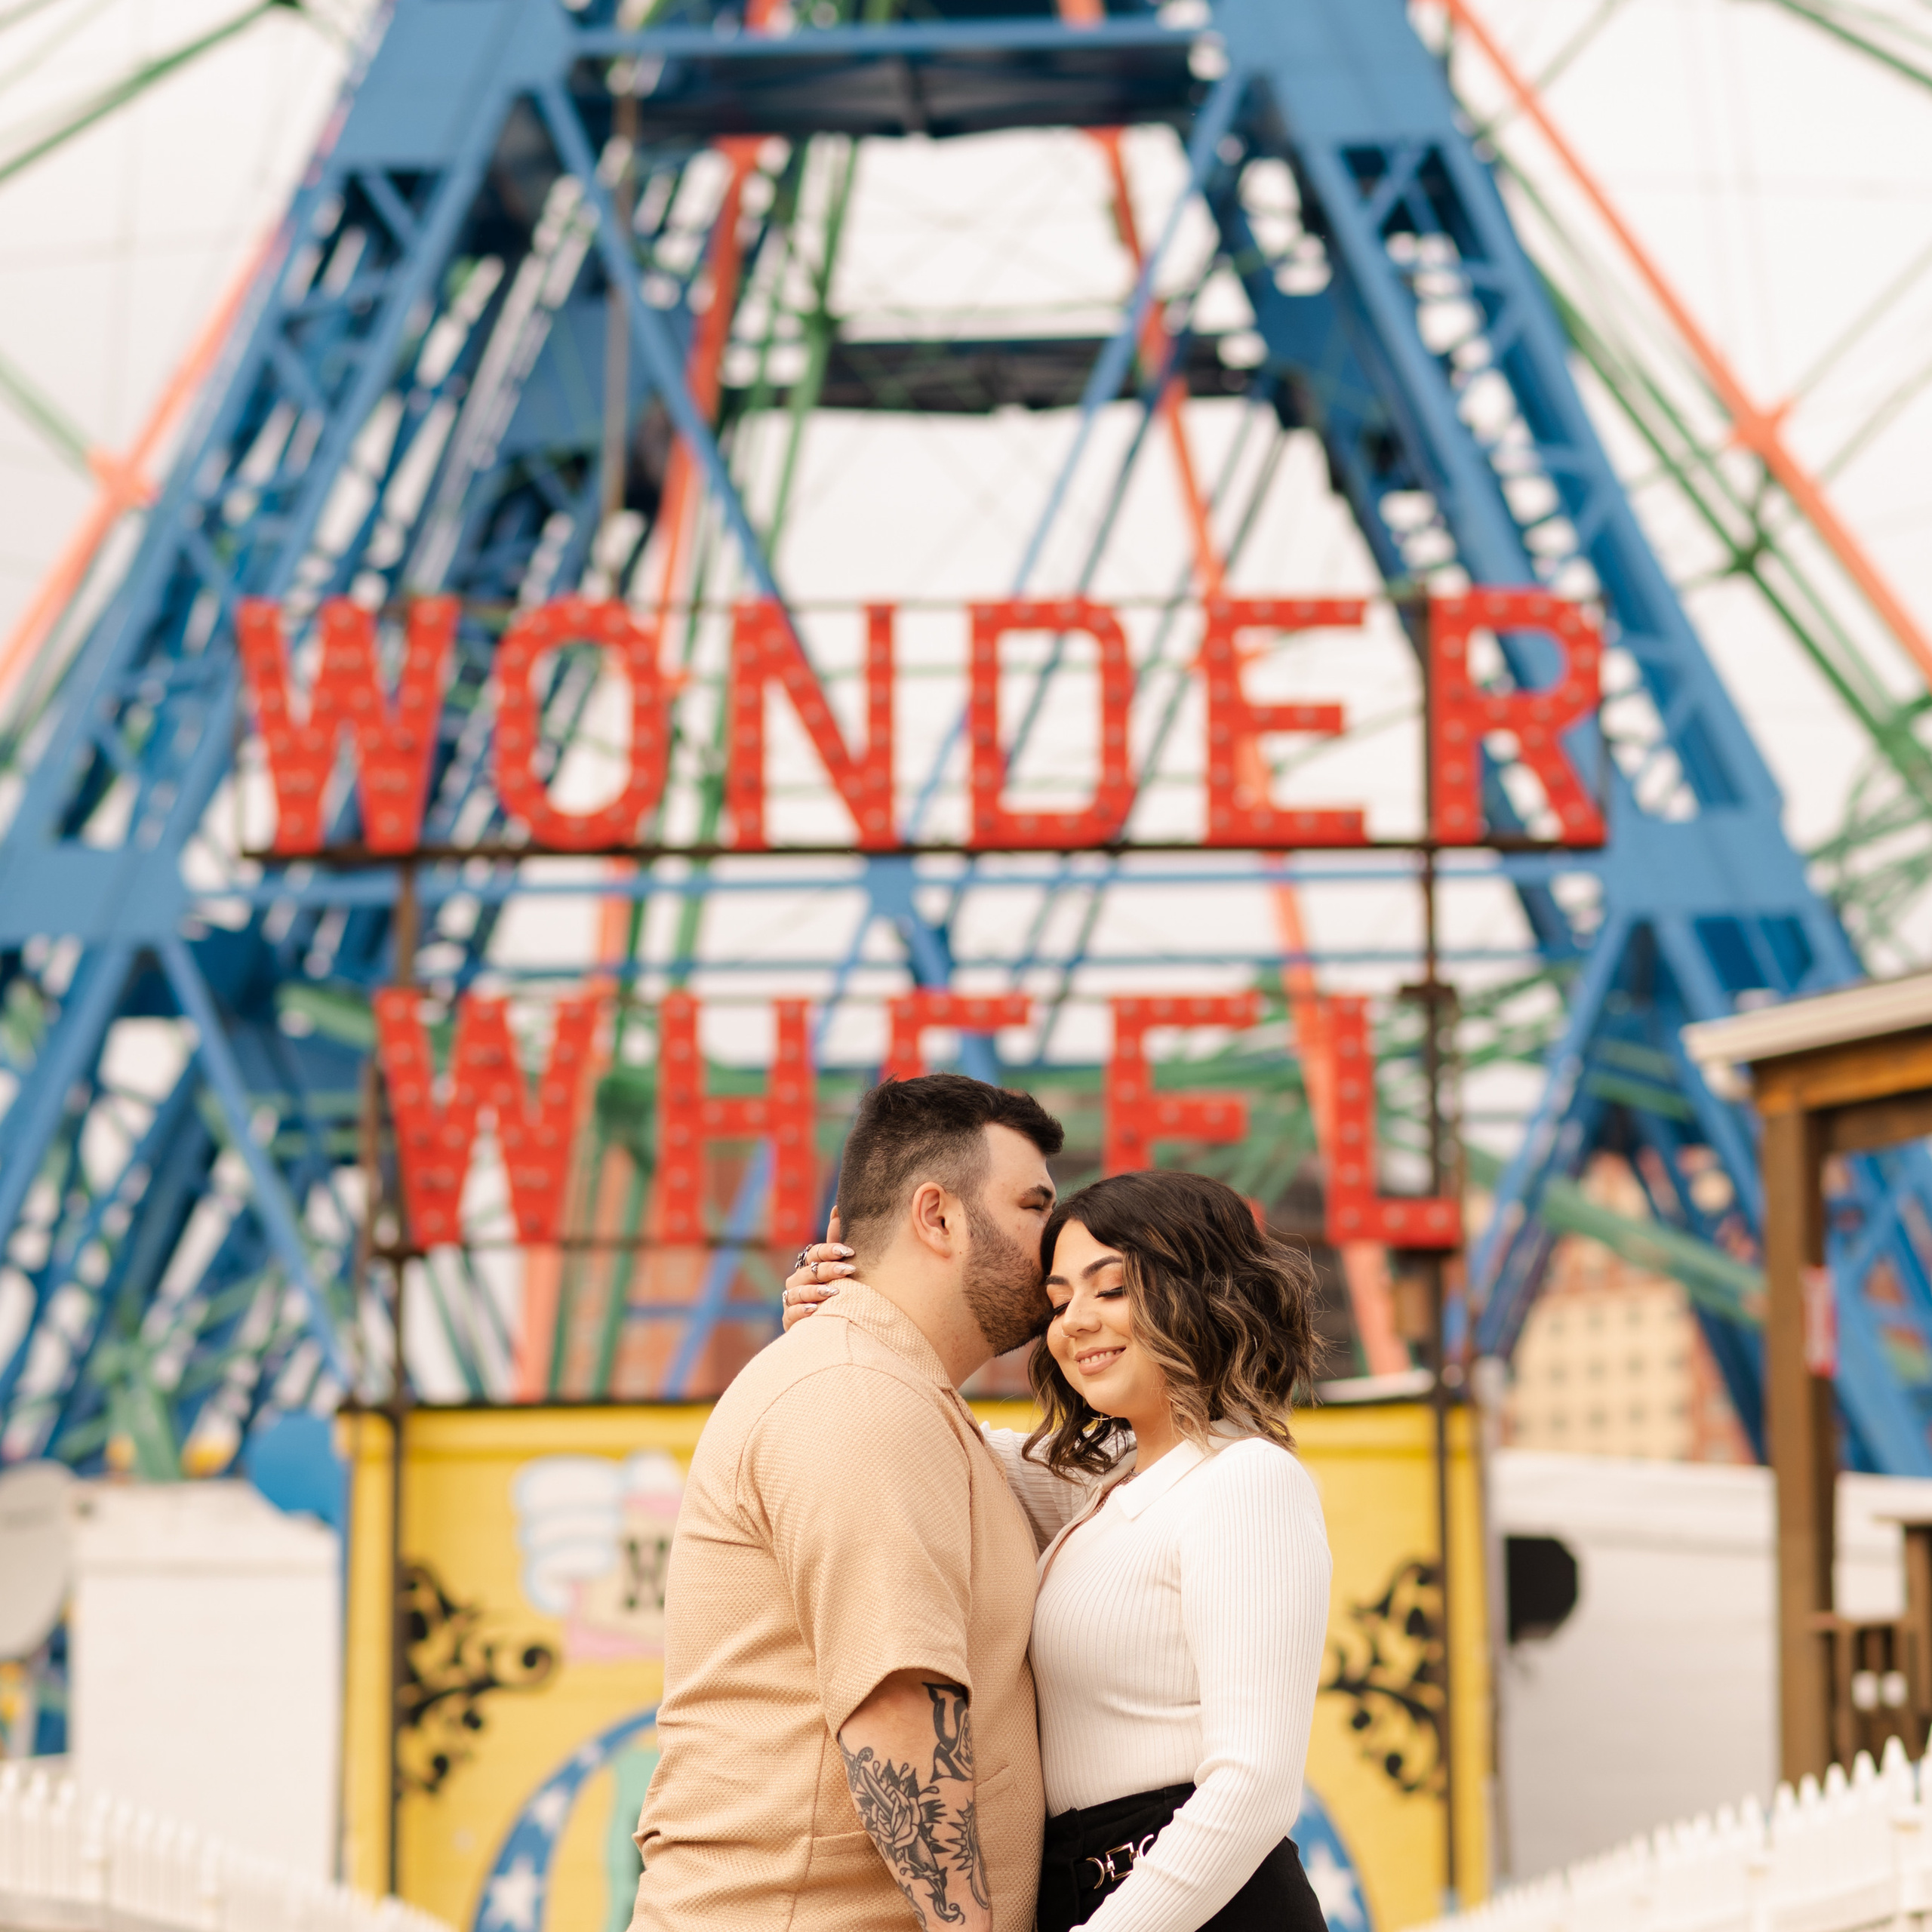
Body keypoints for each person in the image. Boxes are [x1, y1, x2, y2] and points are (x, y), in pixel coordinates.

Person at [784, 1166, 1332, 1932]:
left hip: (1204, 1902)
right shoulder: (1102, 1489)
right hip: (1089, 1889)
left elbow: (1254, 1786)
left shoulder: (1245, 1481)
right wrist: (842, 1324)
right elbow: (924, 1435)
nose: (1074, 1322)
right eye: (1060, 1300)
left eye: (1111, 1289)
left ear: (1201, 1289)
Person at [631, 1072, 1066, 1932]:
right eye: (1034, 1207)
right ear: (938, 1217)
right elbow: (897, 1707)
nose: (1056, 1244)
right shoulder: (860, 1395)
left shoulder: (900, 1397)